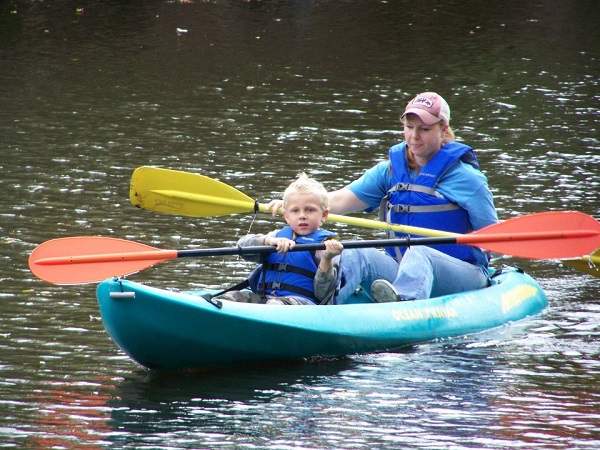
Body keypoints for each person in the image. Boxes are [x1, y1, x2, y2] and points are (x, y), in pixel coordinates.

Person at [268, 92, 498, 302]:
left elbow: (495, 238)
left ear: (443, 129)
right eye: (409, 127)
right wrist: (298, 204)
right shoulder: (389, 171)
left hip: (461, 274)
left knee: (418, 251)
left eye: (424, 129)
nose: (414, 136)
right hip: (400, 269)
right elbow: (337, 201)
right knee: (356, 252)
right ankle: (322, 307)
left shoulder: (468, 179)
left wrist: (490, 242)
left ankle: (404, 307)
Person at [219, 172, 344, 305]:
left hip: (301, 303)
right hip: (265, 298)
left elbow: (322, 294)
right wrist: (267, 242)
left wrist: (327, 259)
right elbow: (242, 247)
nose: (302, 216)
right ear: (286, 216)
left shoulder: (327, 245)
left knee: (274, 305)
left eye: (309, 210)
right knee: (229, 297)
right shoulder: (276, 236)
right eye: (295, 211)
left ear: (324, 215)